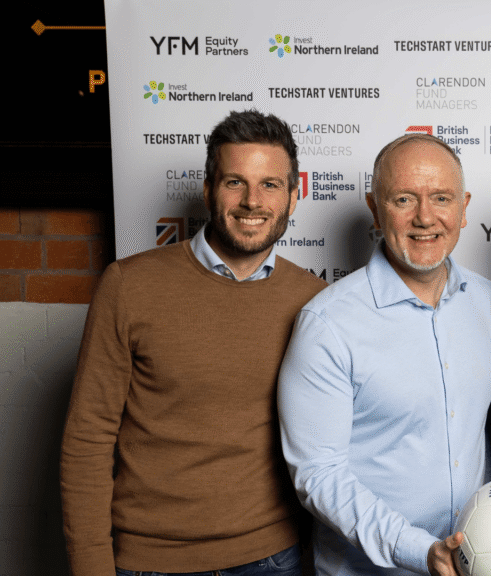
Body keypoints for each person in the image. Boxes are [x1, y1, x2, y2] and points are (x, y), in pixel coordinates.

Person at [60, 109, 327, 576]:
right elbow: (87, 438)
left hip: (272, 559)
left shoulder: (315, 302)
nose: (252, 201)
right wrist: (91, 564)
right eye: (234, 182)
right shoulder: (129, 286)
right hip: (150, 562)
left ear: (293, 196)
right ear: (208, 190)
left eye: (269, 184)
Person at [277, 134, 491, 576]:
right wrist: (419, 550)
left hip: (480, 563)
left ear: (464, 207)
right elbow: (319, 474)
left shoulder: (489, 302)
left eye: (441, 198)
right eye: (403, 199)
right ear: (375, 209)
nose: (425, 217)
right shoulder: (327, 325)